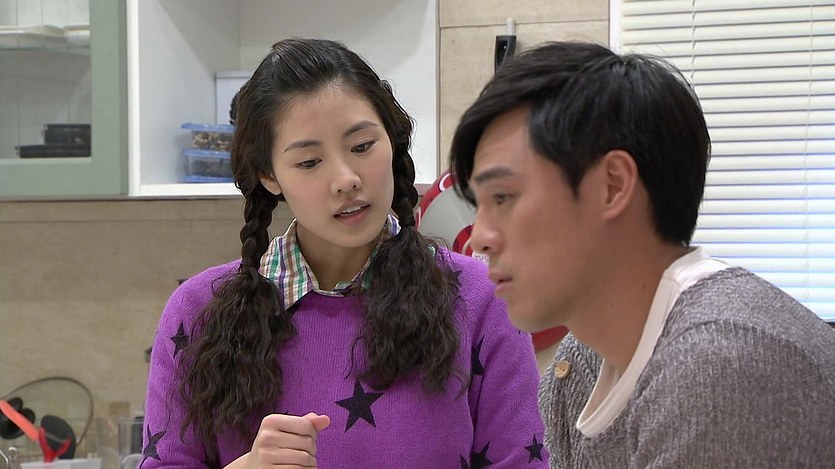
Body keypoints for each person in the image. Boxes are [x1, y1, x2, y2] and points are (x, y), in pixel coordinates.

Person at [142, 38, 548, 468]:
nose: (346, 179)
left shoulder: (480, 300)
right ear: (268, 175)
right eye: (309, 162)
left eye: (362, 146)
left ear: (392, 140)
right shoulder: (198, 312)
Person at [449, 41, 835, 468]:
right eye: (478, 204)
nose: (478, 239)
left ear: (613, 186)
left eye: (503, 197)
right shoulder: (584, 360)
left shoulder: (719, 364)